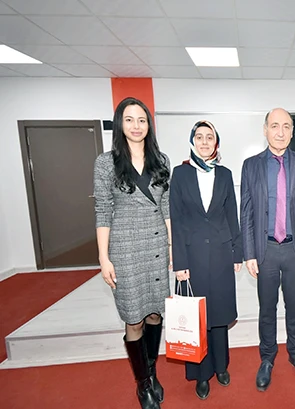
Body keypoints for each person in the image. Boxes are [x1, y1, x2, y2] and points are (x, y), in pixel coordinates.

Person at [94, 97, 171, 409]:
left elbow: (166, 206)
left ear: (149, 124)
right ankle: (142, 384)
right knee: (134, 318)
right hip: (124, 250)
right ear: (120, 124)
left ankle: (151, 371)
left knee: (154, 313)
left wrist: (172, 247)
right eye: (129, 119)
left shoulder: (161, 160)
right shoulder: (106, 162)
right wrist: (103, 258)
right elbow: (102, 210)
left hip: (156, 246)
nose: (136, 126)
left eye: (142, 120)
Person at [240, 108, 295, 391]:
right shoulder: (251, 166)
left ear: (292, 131)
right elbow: (246, 212)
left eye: (286, 126)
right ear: (265, 130)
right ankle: (267, 358)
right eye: (275, 125)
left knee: (294, 306)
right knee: (267, 308)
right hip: (266, 251)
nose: (280, 132)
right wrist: (249, 252)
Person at [170, 120, 243, 400]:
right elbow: (176, 219)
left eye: (209, 137)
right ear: (192, 142)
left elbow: (231, 214)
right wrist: (180, 263)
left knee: (220, 314)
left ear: (216, 143)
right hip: (193, 256)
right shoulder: (180, 174)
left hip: (222, 253)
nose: (204, 142)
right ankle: (201, 374)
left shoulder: (224, 174)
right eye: (199, 137)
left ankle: (221, 366)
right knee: (197, 315)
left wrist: (237, 251)